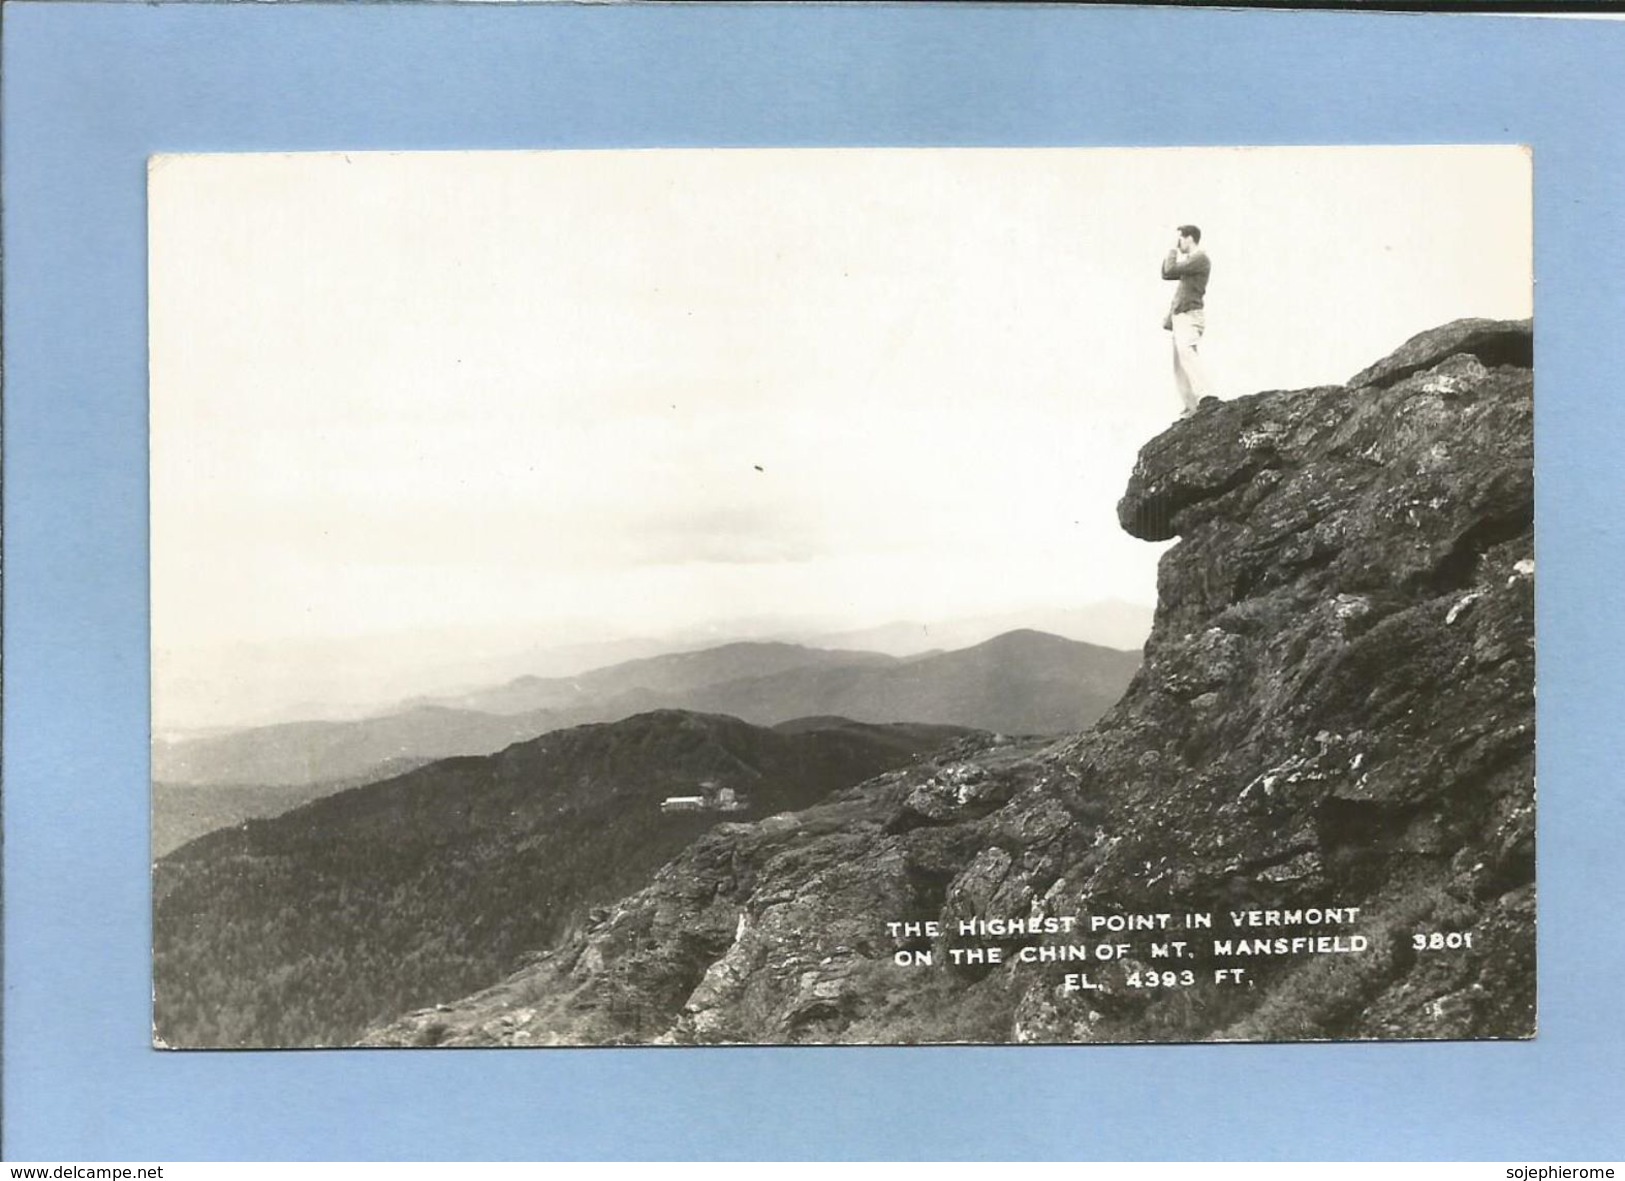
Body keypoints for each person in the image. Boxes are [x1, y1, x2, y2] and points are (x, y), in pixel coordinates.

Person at [1162, 225, 1218, 417]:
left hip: (1190, 314)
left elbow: (1169, 270)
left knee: (1187, 352)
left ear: (1189, 238)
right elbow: (1166, 272)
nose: (1178, 243)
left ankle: (1208, 396)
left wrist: (1171, 249)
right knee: (1179, 363)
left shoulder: (1200, 258)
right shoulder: (1191, 261)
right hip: (1181, 316)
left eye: (1180, 239)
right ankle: (1192, 407)